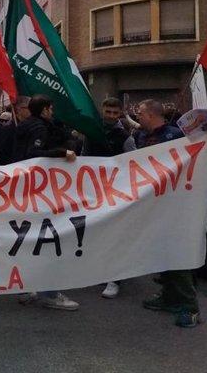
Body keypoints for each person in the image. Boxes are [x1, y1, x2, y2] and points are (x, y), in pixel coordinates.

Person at [133, 99, 199, 328]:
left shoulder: (176, 136)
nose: (138, 116)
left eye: (140, 112)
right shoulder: (141, 136)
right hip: (153, 204)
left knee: (177, 253)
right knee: (161, 252)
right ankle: (169, 297)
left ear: (151, 114)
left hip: (175, 204)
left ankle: (190, 307)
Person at [13, 95, 79, 311]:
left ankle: (25, 287)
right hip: (39, 192)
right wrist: (61, 152)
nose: (52, 112)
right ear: (44, 110)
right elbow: (33, 154)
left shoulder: (24, 126)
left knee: (29, 239)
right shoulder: (39, 128)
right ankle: (49, 293)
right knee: (48, 240)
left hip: (24, 191)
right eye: (50, 108)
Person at [83, 97, 132, 299]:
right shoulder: (92, 132)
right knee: (98, 232)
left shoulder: (125, 137)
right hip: (94, 191)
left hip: (116, 192)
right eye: (108, 112)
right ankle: (101, 270)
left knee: (115, 235)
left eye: (115, 113)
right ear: (102, 110)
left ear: (120, 113)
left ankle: (115, 278)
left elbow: (133, 162)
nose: (111, 116)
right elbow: (84, 158)